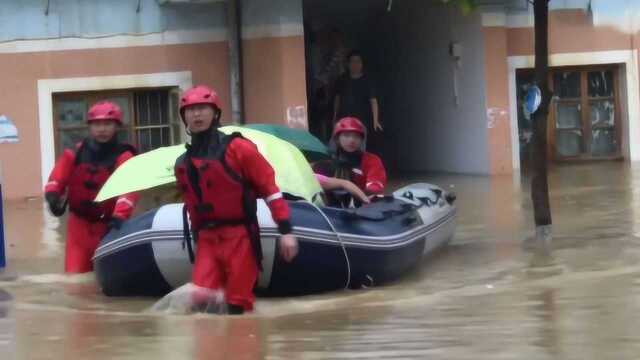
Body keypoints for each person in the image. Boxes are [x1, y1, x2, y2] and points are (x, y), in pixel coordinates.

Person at [175, 85, 298, 315]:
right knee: (201, 301)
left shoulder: (239, 148)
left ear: (216, 114)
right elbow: (192, 205)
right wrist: (196, 237)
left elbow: (269, 188)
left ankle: (242, 348)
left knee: (238, 305)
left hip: (240, 237)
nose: (196, 115)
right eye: (190, 110)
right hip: (208, 240)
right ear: (184, 117)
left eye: (202, 108)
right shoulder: (183, 163)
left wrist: (286, 230)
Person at [44, 101, 138, 273]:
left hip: (109, 227)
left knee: (106, 283)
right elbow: (57, 178)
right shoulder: (75, 152)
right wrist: (52, 195)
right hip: (78, 228)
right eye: (97, 124)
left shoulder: (124, 156)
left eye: (107, 124)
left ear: (116, 126)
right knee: (74, 281)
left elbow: (129, 190)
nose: (102, 129)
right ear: (90, 127)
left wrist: (120, 215)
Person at [314, 117, 387, 207]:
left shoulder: (371, 160)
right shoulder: (324, 160)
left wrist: (368, 191)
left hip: (363, 206)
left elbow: (376, 185)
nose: (352, 140)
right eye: (346, 135)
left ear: (362, 140)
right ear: (337, 139)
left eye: (356, 136)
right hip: (330, 210)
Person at [334, 51, 382, 134]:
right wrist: (334, 116)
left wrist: (375, 121)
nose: (355, 64)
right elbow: (337, 98)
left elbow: (373, 101)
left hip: (361, 122)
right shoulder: (342, 79)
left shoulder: (367, 81)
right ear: (348, 64)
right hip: (344, 121)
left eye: (358, 61)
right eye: (352, 61)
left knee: (359, 145)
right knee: (342, 144)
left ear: (362, 64)